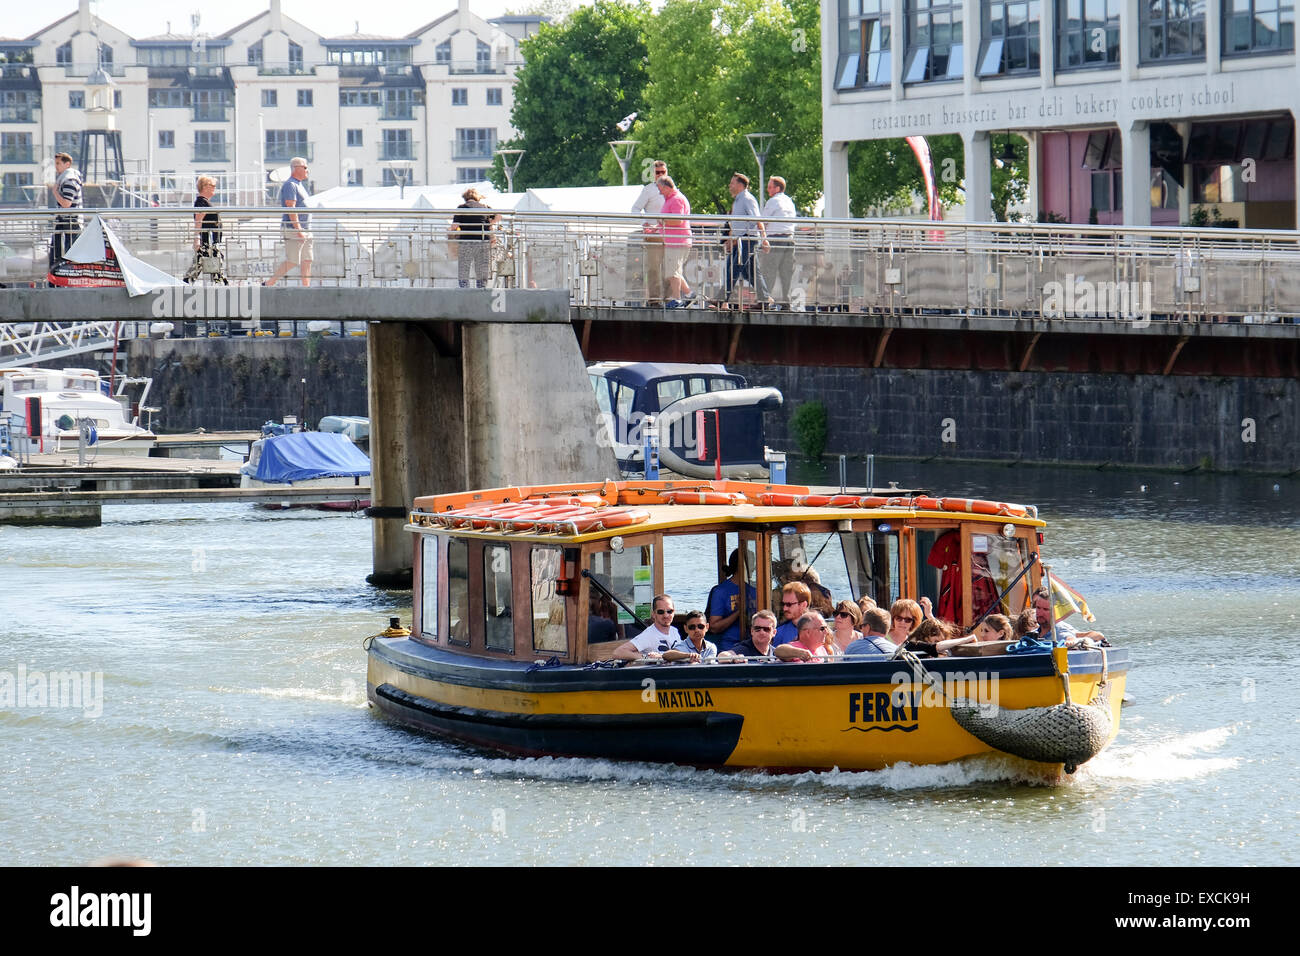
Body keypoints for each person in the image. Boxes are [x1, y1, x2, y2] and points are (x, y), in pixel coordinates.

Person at [716, 172, 769, 308]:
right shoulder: (738, 200)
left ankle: (722, 299)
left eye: (732, 183)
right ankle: (765, 300)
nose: (729, 186)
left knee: (734, 268)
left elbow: (756, 219)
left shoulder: (747, 199)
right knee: (749, 272)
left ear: (740, 185)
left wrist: (764, 238)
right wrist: (731, 239)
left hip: (747, 239)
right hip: (740, 240)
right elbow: (735, 223)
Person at [265, 157, 313, 287]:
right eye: (305, 167)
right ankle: (269, 283)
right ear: (296, 168)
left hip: (306, 228)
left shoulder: (300, 185)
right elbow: (290, 208)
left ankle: (306, 287)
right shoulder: (290, 185)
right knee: (293, 260)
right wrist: (298, 230)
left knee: (307, 259)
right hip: (294, 229)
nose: (307, 170)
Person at [631, 159, 668, 305]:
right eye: (657, 172)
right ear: (653, 174)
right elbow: (635, 209)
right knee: (654, 268)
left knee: (671, 269)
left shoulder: (673, 188)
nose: (660, 175)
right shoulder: (648, 190)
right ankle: (654, 300)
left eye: (662, 172)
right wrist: (644, 224)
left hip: (671, 234)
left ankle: (670, 298)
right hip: (653, 235)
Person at [706, 548, 757, 653]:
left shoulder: (754, 590)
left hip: (753, 644)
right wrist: (738, 612)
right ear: (741, 566)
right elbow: (714, 627)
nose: (754, 567)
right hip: (728, 647)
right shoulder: (721, 591)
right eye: (752, 563)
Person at [656, 175, 695, 308]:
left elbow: (678, 220)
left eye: (660, 188)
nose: (659, 192)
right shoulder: (671, 199)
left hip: (678, 242)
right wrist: (657, 228)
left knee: (673, 272)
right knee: (674, 271)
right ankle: (690, 295)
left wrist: (661, 221)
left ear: (667, 187)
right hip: (674, 241)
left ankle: (677, 299)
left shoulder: (677, 199)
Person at [759, 176, 797, 309]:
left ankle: (765, 301)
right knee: (786, 273)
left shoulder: (773, 201)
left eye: (770, 187)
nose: (768, 189)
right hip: (789, 239)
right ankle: (786, 302)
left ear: (777, 188)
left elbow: (762, 221)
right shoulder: (789, 202)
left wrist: (763, 239)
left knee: (768, 271)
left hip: (775, 239)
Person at [184, 175, 227, 285]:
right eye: (213, 185)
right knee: (214, 263)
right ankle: (222, 286)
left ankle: (185, 284)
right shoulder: (201, 202)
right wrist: (196, 238)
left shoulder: (203, 201)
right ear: (205, 186)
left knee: (202, 265)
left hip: (209, 243)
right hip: (208, 243)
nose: (214, 188)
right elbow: (198, 220)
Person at [1030, 587, 1106, 645]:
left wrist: (1071, 641)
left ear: (1055, 612)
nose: (1040, 613)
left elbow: (1068, 637)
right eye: (1038, 608)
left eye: (1045, 609)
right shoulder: (1032, 634)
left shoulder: (1059, 631)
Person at [450, 186, 493, 289]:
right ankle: (481, 289)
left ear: (465, 197)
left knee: (464, 268)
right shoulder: (486, 207)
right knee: (481, 268)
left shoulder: (461, 208)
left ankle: (464, 290)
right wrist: (490, 224)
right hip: (483, 241)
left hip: (466, 241)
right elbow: (499, 216)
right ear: (477, 197)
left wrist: (454, 231)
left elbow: (454, 226)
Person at [613, 594, 678, 660]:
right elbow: (618, 652)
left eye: (669, 611)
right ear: (653, 614)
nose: (666, 615)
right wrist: (646, 657)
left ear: (674, 612)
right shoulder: (649, 635)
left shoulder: (675, 631)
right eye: (660, 612)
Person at [49, 152, 83, 269]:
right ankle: (58, 281)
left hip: (70, 222)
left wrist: (55, 192)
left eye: (58, 163)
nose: (56, 166)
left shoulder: (69, 180)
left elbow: (66, 204)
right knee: (64, 255)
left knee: (63, 256)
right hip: (67, 221)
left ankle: (58, 283)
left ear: (67, 164)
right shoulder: (68, 178)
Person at [773, 581, 810, 646]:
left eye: (789, 604)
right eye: (783, 604)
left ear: (803, 605)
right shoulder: (779, 632)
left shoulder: (819, 629)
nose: (784, 608)